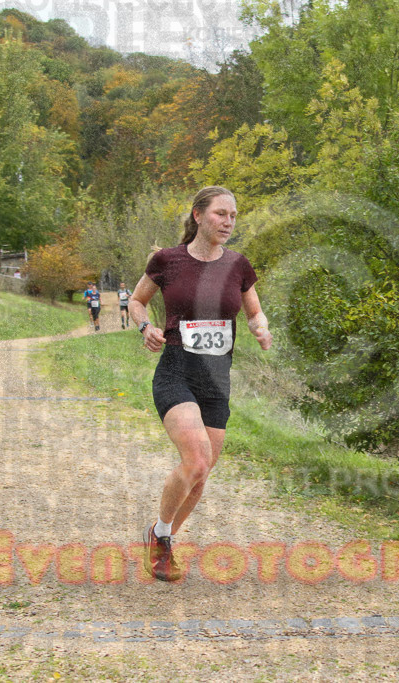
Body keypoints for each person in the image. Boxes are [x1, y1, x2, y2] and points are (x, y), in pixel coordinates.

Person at [128, 186, 271, 582]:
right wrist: (145, 326)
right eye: (220, 214)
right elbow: (136, 301)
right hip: (176, 370)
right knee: (196, 459)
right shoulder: (167, 261)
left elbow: (254, 311)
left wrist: (261, 330)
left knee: (202, 471)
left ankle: (162, 539)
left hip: (216, 380)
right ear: (197, 216)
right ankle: (160, 536)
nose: (228, 222)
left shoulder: (239, 265)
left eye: (233, 216)